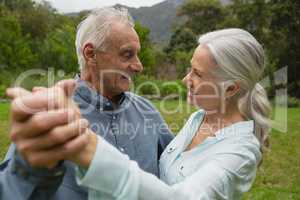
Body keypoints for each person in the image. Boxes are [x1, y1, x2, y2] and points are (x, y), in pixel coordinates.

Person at [22, 28, 270, 199]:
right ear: (90, 54)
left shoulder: (240, 153)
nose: (186, 79)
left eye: (198, 74)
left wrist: (89, 149)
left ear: (231, 88)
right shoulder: (199, 119)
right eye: (190, 70)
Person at [0, 7, 173, 199]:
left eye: (137, 54)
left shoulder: (147, 110)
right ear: (91, 54)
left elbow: (176, 169)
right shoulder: (52, 113)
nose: (139, 66)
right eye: (127, 54)